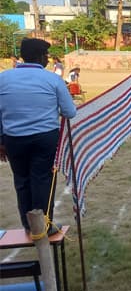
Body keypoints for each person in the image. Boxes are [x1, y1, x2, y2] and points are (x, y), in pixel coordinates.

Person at [0, 38, 77, 233]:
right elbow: (70, 112)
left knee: (22, 180)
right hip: (44, 138)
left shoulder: (4, 78)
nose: (48, 60)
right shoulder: (53, 80)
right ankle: (42, 225)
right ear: (41, 57)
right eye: (47, 56)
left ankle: (28, 225)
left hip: (14, 138)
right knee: (42, 179)